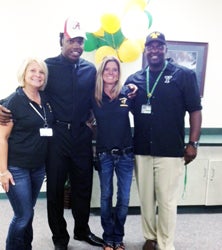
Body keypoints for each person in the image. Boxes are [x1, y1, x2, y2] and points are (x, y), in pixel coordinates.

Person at [0, 17, 103, 250]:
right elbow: (24, 92)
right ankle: (60, 238)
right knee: (56, 189)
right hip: (56, 137)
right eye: (71, 40)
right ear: (61, 40)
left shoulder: (90, 69)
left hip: (81, 136)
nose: (76, 45)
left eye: (79, 41)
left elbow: (102, 93)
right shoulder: (48, 67)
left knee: (83, 186)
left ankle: (82, 230)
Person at [124, 31, 202, 250]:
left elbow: (195, 110)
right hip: (141, 149)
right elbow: (120, 110)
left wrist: (193, 143)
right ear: (145, 50)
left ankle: (166, 243)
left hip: (170, 150)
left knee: (167, 202)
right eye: (150, 46)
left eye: (159, 46)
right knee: (146, 200)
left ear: (166, 49)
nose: (155, 50)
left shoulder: (183, 75)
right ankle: (150, 237)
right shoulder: (135, 80)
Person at [0, 57, 54, 250]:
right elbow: (2, 138)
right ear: (24, 74)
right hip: (17, 168)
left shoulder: (45, 99)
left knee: (28, 212)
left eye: (41, 72)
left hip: (37, 168)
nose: (37, 75)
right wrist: (3, 171)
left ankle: (26, 246)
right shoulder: (12, 103)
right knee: (22, 215)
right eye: (33, 71)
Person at [92, 56, 136, 250]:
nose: (111, 73)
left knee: (124, 198)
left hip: (126, 154)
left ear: (119, 73)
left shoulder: (127, 93)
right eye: (107, 69)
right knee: (106, 196)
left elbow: (144, 114)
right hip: (104, 155)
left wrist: (134, 87)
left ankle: (118, 237)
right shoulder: (94, 96)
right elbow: (85, 120)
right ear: (101, 73)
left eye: (115, 70)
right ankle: (108, 237)